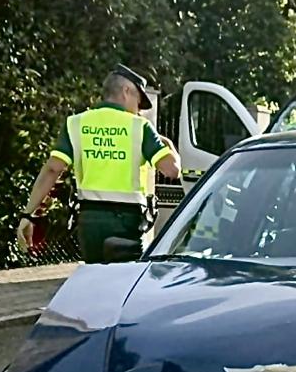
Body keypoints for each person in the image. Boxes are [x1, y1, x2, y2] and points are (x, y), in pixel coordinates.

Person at [17, 65, 180, 262]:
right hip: (127, 223)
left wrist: (28, 215)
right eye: (139, 101)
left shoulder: (76, 123)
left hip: (89, 221)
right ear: (126, 91)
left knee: (95, 280)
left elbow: (52, 169)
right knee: (124, 284)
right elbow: (172, 170)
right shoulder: (140, 127)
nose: (139, 110)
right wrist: (169, 144)